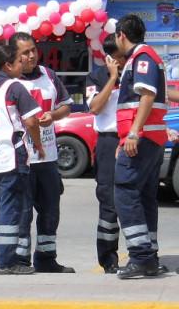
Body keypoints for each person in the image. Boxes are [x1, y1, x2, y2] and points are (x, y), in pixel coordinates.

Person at [9, 32, 75, 273]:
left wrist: (53, 116)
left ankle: (46, 259)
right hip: (21, 158)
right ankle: (20, 260)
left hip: (47, 157)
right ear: (14, 56)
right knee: (23, 212)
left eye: (33, 50)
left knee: (50, 211)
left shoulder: (49, 75)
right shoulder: (9, 81)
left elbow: (67, 105)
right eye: (24, 52)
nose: (31, 56)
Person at [0, 45, 44, 275]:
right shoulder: (13, 87)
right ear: (8, 65)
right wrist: (38, 144)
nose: (24, 64)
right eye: (19, 61)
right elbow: (32, 122)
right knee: (10, 209)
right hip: (10, 157)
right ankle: (6, 262)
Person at [113, 13, 169, 279]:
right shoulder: (146, 57)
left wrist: (133, 134)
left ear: (121, 35)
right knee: (145, 197)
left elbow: (146, 96)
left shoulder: (142, 58)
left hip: (143, 139)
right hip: (148, 139)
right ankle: (150, 255)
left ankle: (142, 257)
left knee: (125, 191)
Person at [86, 34, 125, 273]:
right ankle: (108, 258)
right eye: (119, 58)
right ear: (110, 57)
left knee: (136, 200)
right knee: (109, 202)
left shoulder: (135, 73)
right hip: (109, 142)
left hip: (134, 141)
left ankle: (143, 254)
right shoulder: (97, 76)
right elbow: (95, 107)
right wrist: (112, 78)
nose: (123, 62)